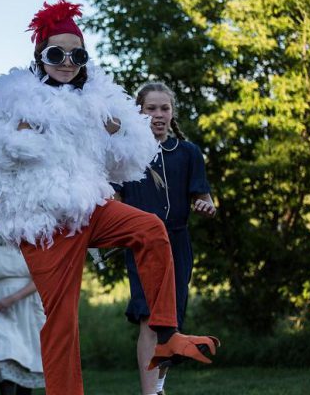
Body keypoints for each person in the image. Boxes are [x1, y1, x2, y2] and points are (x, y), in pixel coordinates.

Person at [0, 0, 219, 395]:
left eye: (77, 55)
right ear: (40, 57)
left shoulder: (96, 100)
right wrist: (18, 139)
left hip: (89, 206)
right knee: (62, 320)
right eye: (57, 54)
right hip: (45, 222)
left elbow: (129, 159)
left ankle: (168, 332)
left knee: (151, 229)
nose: (67, 62)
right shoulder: (14, 98)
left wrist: (118, 127)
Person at [115, 82, 216, 395]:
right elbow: (113, 200)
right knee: (149, 319)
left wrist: (207, 205)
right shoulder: (125, 153)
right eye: (151, 108)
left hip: (178, 243)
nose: (158, 115)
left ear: (173, 114)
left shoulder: (188, 152)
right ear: (139, 113)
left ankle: (158, 386)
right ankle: (149, 393)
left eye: (164, 108)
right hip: (143, 244)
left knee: (169, 323)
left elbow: (206, 198)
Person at [0, 233, 46, 395]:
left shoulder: (35, 239)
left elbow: (41, 277)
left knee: (27, 357)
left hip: (28, 305)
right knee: (3, 351)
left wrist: (12, 299)